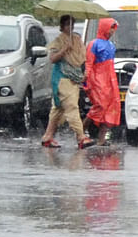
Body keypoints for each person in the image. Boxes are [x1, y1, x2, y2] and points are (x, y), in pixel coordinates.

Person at [41, 14, 96, 150]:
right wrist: (65, 49)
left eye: (72, 25)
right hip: (62, 78)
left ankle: (47, 136)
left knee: (58, 110)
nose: (69, 28)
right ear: (62, 26)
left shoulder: (77, 39)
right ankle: (81, 137)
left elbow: (81, 57)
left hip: (74, 77)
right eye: (67, 25)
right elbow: (53, 58)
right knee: (71, 107)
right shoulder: (58, 41)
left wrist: (83, 72)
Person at [84, 18, 121, 146]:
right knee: (99, 106)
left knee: (111, 107)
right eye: (110, 28)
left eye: (113, 29)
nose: (111, 32)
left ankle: (101, 138)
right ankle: (81, 133)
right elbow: (89, 64)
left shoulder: (111, 45)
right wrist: (86, 80)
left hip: (110, 80)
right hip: (98, 80)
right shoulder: (94, 44)